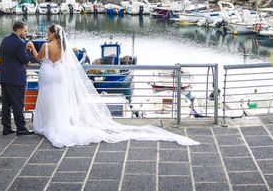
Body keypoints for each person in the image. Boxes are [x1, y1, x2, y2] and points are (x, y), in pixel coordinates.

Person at [27, 24, 199, 148]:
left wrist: (30, 48)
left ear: (52, 34)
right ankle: (59, 122)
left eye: (49, 33)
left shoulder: (46, 45)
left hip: (48, 75)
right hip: (59, 75)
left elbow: (39, 58)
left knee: (47, 99)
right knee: (58, 99)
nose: (47, 35)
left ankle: (48, 125)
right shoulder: (64, 46)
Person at [0, 21, 34, 136]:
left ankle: (6, 128)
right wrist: (29, 49)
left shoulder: (5, 39)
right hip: (15, 78)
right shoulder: (19, 43)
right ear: (19, 30)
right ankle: (21, 128)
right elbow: (25, 60)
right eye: (25, 31)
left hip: (4, 76)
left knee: (6, 104)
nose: (26, 33)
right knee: (18, 103)